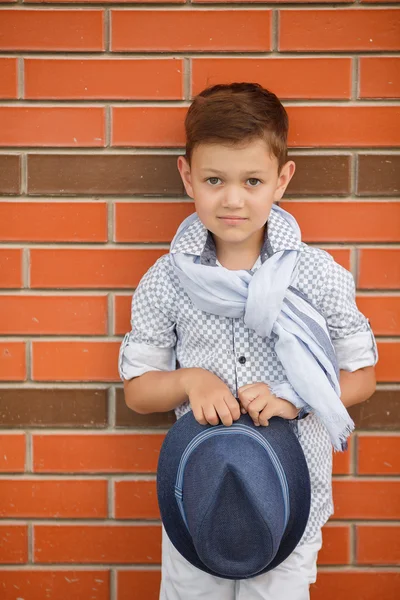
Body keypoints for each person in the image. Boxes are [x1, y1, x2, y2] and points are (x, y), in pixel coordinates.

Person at [119, 83, 378, 600]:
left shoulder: (317, 275)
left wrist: (294, 396)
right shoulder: (165, 280)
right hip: (198, 497)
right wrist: (190, 380)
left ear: (281, 181)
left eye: (252, 180)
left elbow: (363, 377)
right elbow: (138, 391)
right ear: (187, 176)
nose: (232, 199)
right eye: (214, 179)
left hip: (287, 501)